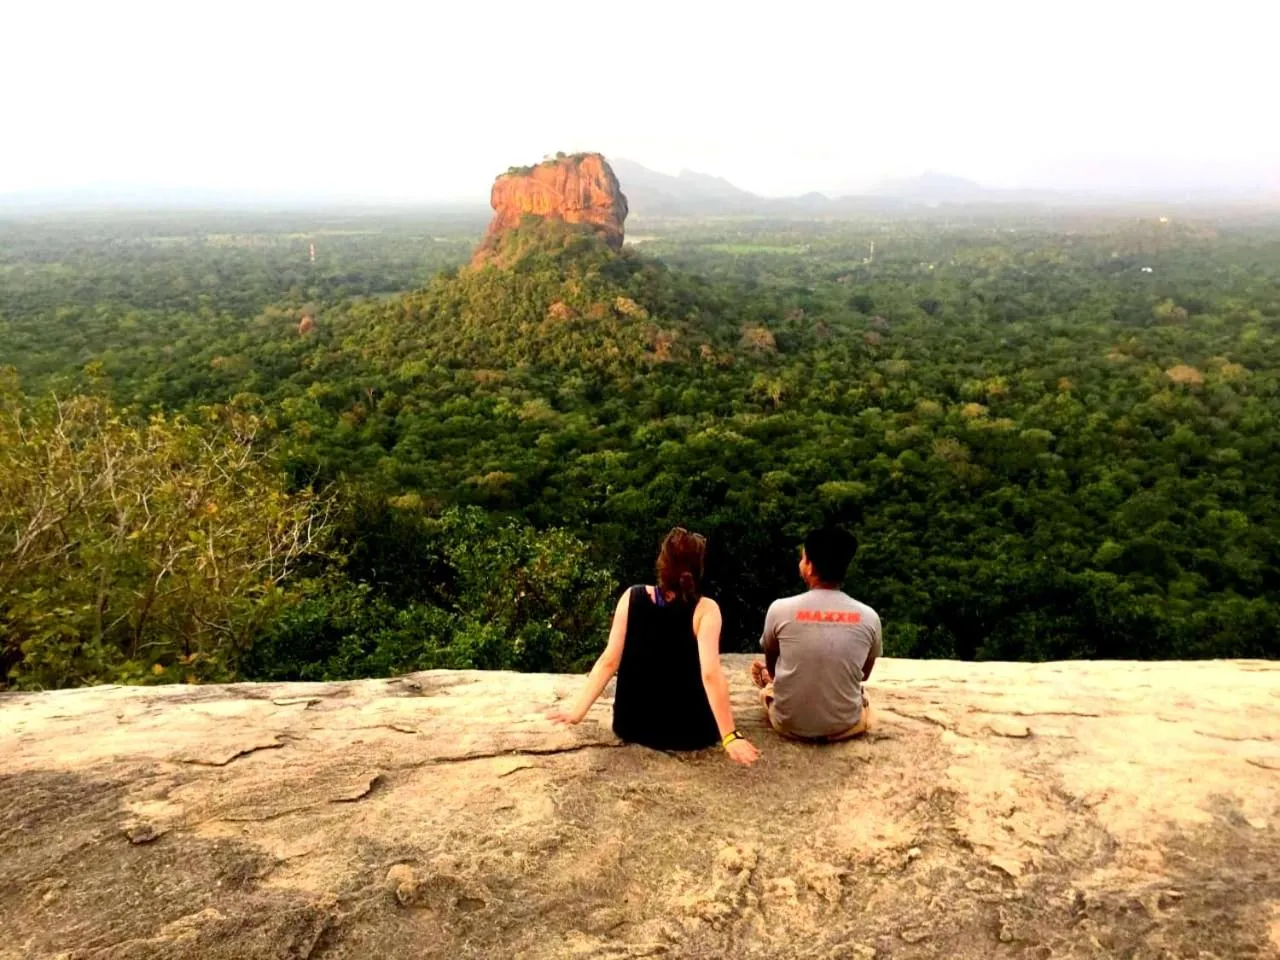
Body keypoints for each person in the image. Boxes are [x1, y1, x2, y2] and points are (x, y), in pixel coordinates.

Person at [549, 527, 759, 766]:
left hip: (632, 725)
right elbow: (711, 674)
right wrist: (730, 736)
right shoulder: (706, 610)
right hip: (690, 733)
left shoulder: (632, 597)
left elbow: (609, 660)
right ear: (697, 569)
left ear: (662, 563)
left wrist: (577, 712)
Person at [751, 527, 881, 741]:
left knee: (769, 689)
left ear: (810, 568)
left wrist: (773, 677)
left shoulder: (780, 609)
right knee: (863, 697)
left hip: (787, 724)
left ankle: (769, 688)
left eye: (803, 558)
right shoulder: (869, 617)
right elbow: (863, 675)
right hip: (845, 727)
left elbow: (774, 667)